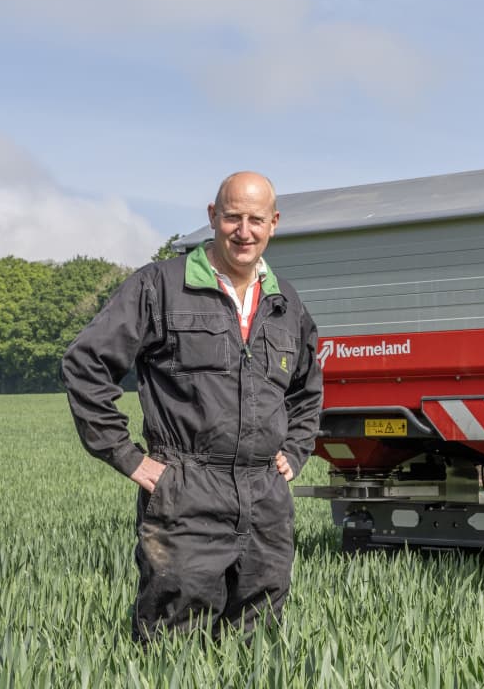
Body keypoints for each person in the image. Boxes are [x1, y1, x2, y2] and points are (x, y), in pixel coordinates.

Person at [61, 171, 323, 642]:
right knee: (172, 642)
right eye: (232, 217)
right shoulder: (159, 287)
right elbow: (85, 363)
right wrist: (128, 457)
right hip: (185, 490)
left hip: (265, 499)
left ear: (274, 223)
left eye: (256, 220)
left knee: (258, 641)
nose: (244, 231)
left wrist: (297, 449)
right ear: (212, 217)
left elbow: (307, 388)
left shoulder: (285, 304)